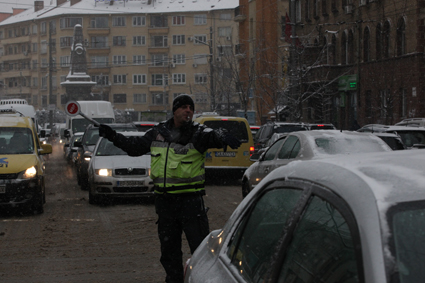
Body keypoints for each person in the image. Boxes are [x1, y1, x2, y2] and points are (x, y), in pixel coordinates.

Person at [98, 94, 241, 283]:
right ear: (175, 111)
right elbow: (134, 148)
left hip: (191, 204)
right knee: (169, 254)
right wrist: (112, 136)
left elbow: (212, 136)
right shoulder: (158, 132)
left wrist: (221, 135)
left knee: (200, 252)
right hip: (165, 204)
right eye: (183, 107)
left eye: (191, 107)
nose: (188, 110)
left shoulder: (198, 133)